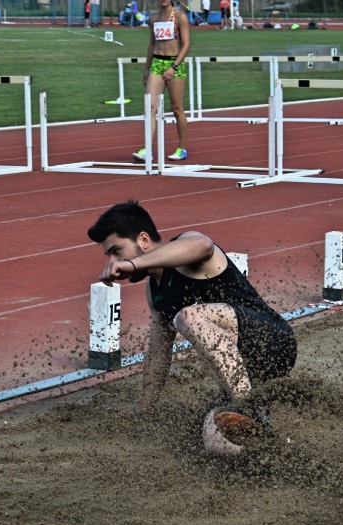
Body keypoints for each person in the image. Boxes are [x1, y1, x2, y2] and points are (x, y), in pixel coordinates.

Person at [88, 201, 297, 456]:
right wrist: (145, 410)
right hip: (247, 373)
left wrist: (132, 265)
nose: (113, 261)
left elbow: (204, 245)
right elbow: (158, 354)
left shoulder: (186, 248)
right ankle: (271, 451)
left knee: (188, 317)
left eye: (117, 251)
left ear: (143, 239)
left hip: (272, 340)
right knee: (214, 438)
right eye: (109, 256)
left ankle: (248, 408)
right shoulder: (154, 291)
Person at [133, 0, 190, 162]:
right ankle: (147, 150)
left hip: (174, 64)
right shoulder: (153, 18)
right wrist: (146, 68)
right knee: (150, 107)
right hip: (157, 64)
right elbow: (152, 45)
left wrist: (174, 66)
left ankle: (182, 149)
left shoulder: (180, 17)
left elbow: (186, 45)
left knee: (177, 109)